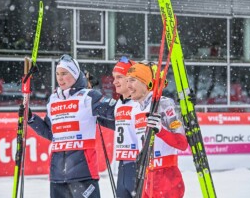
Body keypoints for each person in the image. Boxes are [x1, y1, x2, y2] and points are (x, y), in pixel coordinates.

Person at [28, 54, 116, 198]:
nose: (60, 78)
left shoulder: (89, 96)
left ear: (75, 74)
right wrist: (31, 118)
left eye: (64, 73)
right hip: (57, 174)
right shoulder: (53, 99)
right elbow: (51, 133)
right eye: (57, 74)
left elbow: (117, 113)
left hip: (83, 172)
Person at [126, 62, 188, 198]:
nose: (128, 85)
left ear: (146, 83)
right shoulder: (134, 110)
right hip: (146, 177)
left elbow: (182, 144)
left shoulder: (164, 104)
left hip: (167, 178)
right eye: (127, 81)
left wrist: (160, 130)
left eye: (133, 80)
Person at [112, 56, 139, 198]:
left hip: (138, 165)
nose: (114, 81)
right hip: (123, 166)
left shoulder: (141, 102)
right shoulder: (119, 104)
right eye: (114, 77)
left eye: (119, 77)